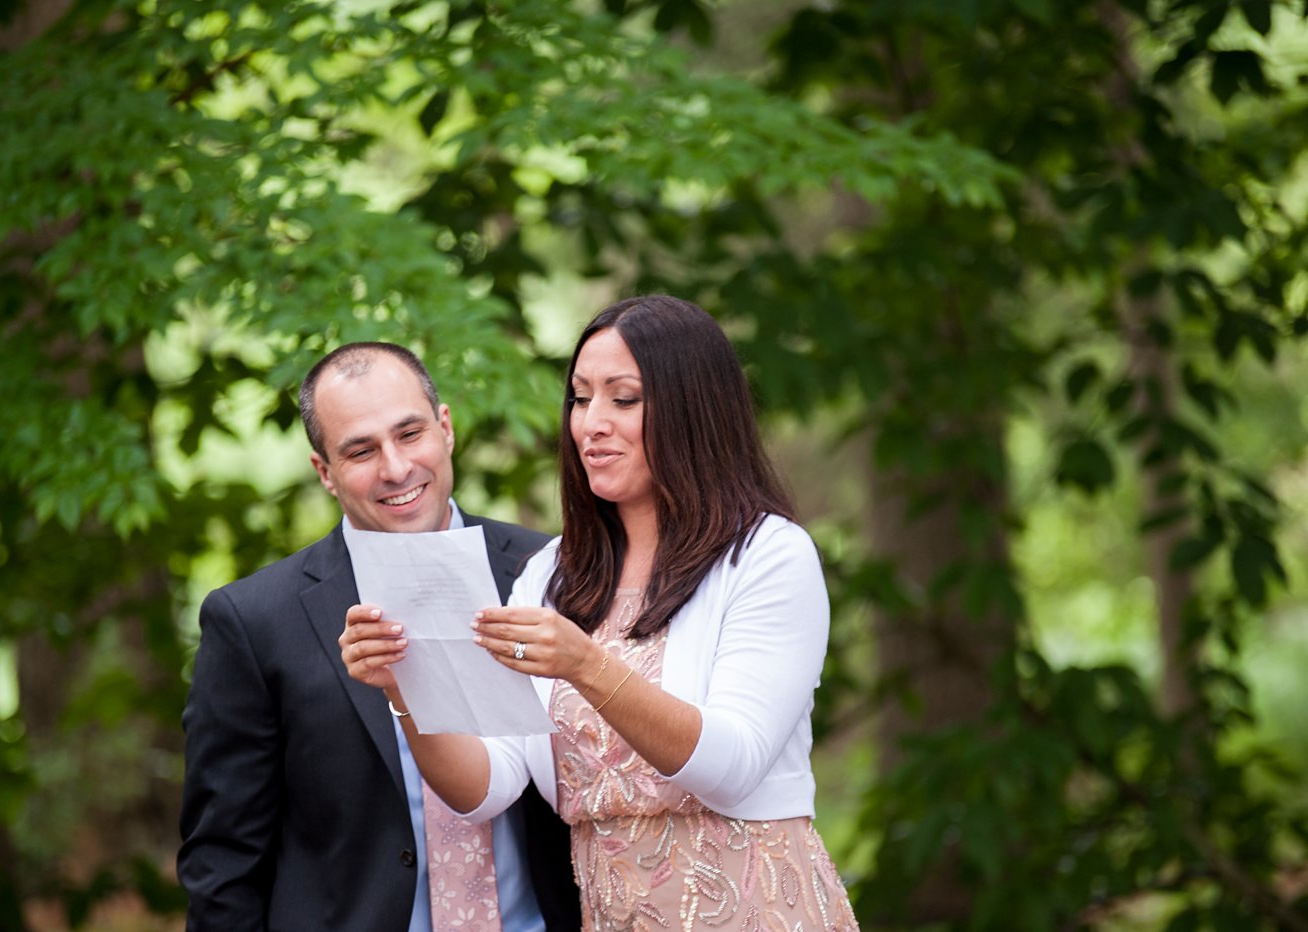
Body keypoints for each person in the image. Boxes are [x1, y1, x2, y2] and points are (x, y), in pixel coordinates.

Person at [341, 297, 861, 930]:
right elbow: (486, 787)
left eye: (624, 399)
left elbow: (732, 767)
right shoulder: (551, 575)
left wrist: (588, 664)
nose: (591, 424)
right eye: (580, 399)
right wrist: (405, 689)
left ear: (694, 409)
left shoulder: (767, 555)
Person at [178, 342, 580, 931]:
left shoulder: (551, 572)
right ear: (325, 473)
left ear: (445, 429)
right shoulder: (253, 621)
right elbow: (223, 861)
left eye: (409, 434)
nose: (395, 468)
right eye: (361, 450)